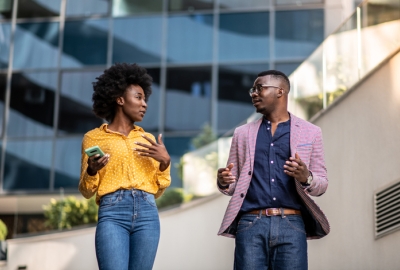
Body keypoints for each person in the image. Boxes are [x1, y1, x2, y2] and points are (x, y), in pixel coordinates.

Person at [216, 70, 330, 270]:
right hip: (250, 224)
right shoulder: (242, 134)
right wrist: (224, 181)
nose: (254, 93)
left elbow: (322, 184)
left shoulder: (311, 132)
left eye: (260, 88)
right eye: (253, 89)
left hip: (293, 224)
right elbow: (233, 184)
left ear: (280, 91)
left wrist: (306, 178)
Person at [79, 63, 171, 270]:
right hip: (112, 213)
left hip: (148, 213)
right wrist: (92, 170)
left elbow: (158, 190)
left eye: (144, 98)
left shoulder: (148, 139)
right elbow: (86, 191)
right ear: (120, 99)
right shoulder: (93, 138)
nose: (144, 104)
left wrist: (165, 162)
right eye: (138, 97)